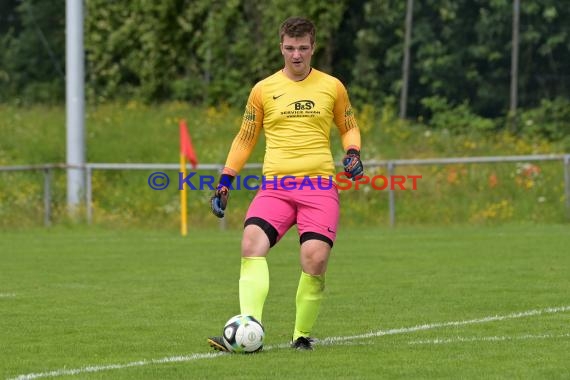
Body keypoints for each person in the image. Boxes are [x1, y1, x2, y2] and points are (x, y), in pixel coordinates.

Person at [207, 16, 363, 351]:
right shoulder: (263, 90)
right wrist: (225, 180)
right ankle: (250, 331)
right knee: (251, 242)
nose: (296, 55)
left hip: (319, 187)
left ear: (312, 48)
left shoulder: (332, 87)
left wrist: (352, 152)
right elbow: (245, 137)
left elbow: (348, 125)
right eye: (290, 48)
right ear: (281, 47)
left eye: (302, 48)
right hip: (275, 187)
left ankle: (301, 336)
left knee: (315, 259)